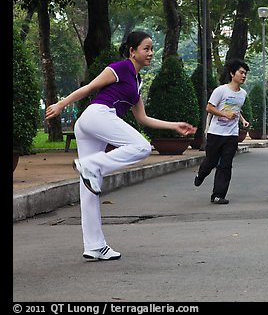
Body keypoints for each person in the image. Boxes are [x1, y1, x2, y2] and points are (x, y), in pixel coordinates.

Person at [45, 31, 196, 261]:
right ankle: (91, 165)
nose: (151, 53)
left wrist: (174, 125)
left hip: (93, 123)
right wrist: (61, 104)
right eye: (146, 48)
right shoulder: (120, 67)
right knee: (142, 147)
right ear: (132, 51)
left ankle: (95, 246)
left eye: (152, 48)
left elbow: (143, 119)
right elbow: (89, 88)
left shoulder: (137, 81)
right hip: (96, 115)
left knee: (89, 189)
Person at [193, 58, 250, 204]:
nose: (243, 76)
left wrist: (242, 120)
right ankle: (202, 173)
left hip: (231, 134)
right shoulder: (221, 90)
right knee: (211, 161)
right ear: (232, 73)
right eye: (241, 72)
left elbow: (236, 109)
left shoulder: (242, 93)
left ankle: (218, 195)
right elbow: (209, 107)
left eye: (245, 74)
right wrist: (225, 114)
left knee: (225, 165)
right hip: (216, 132)